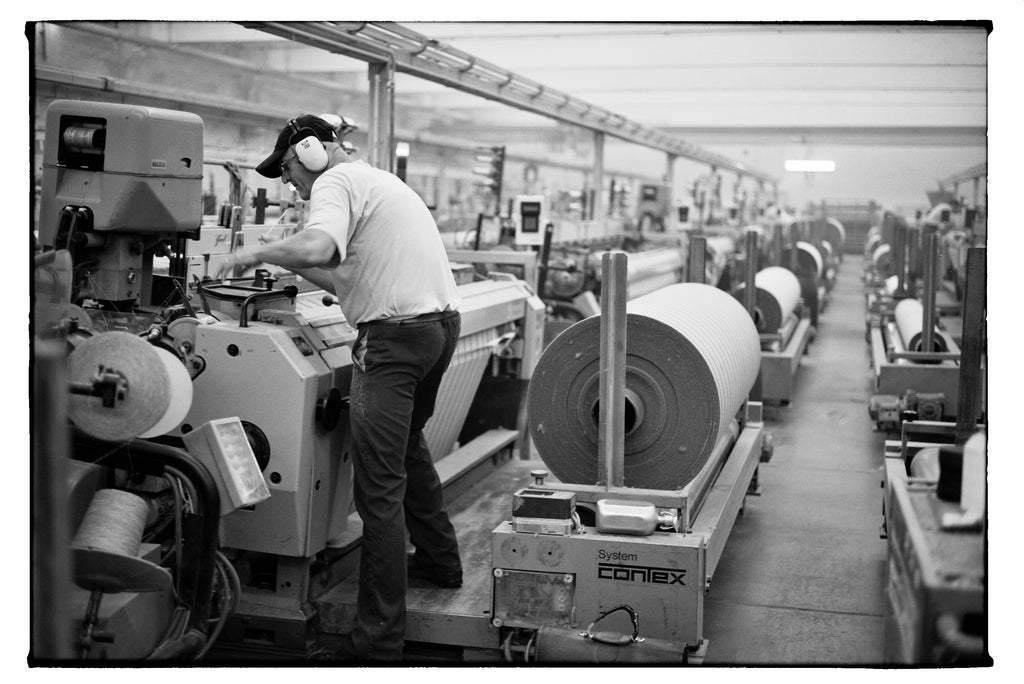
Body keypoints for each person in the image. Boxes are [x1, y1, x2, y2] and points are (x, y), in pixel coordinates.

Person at [214, 115, 464, 660]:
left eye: (287, 170)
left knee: (377, 489)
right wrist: (291, 267)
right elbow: (342, 270)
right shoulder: (380, 181)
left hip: (394, 342)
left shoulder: (334, 181)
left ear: (310, 151)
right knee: (407, 446)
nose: (290, 185)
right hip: (438, 330)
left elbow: (322, 248)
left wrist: (254, 253)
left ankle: (377, 642)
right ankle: (441, 563)